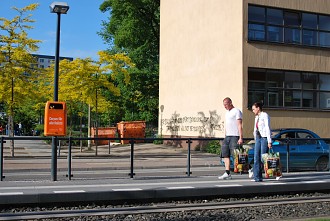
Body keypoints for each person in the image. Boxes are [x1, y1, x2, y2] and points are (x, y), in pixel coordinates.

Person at [218, 97, 243, 180]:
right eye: (224, 105)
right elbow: (227, 125)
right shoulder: (227, 113)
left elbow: (239, 125)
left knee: (236, 154)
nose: (225, 106)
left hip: (235, 135)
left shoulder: (237, 111)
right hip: (228, 136)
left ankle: (250, 169)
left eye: (226, 104)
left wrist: (240, 137)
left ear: (230, 103)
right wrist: (225, 135)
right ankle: (227, 172)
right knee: (225, 154)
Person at [250, 102, 272, 182]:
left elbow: (267, 127)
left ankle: (274, 172)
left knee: (263, 157)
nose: (253, 111)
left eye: (253, 109)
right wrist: (255, 138)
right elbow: (255, 129)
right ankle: (257, 177)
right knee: (256, 158)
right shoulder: (256, 117)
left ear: (258, 108)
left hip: (264, 138)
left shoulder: (264, 115)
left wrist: (269, 141)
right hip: (258, 138)